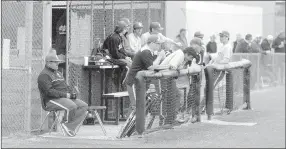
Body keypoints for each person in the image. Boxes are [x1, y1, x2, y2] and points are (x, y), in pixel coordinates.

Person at [37, 49, 88, 137]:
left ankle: (69, 127)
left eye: (58, 62)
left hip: (63, 98)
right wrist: (66, 95)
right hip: (50, 100)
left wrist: (72, 93)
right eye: (55, 62)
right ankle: (66, 123)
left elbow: (65, 87)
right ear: (48, 63)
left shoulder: (59, 73)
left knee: (83, 105)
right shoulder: (44, 75)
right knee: (72, 105)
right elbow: (49, 92)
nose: (58, 64)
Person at [159, 46, 201, 123]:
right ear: (187, 54)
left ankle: (171, 119)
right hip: (163, 77)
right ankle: (168, 120)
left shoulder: (182, 56)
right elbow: (172, 66)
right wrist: (179, 69)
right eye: (190, 57)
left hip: (168, 78)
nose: (190, 59)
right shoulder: (180, 54)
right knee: (169, 98)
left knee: (175, 96)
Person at [125, 35, 165, 113]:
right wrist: (160, 57)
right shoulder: (145, 51)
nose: (159, 45)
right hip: (134, 81)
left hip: (141, 82)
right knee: (136, 105)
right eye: (157, 43)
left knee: (139, 104)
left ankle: (134, 124)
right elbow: (151, 67)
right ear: (152, 43)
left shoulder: (151, 51)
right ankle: (130, 124)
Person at [204, 31, 234, 119]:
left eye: (223, 36)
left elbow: (226, 60)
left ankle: (205, 109)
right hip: (216, 69)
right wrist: (212, 61)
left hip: (220, 70)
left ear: (227, 37)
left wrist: (215, 63)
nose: (221, 38)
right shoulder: (222, 46)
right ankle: (204, 107)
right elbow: (218, 57)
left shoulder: (228, 47)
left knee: (210, 88)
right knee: (207, 88)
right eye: (220, 36)